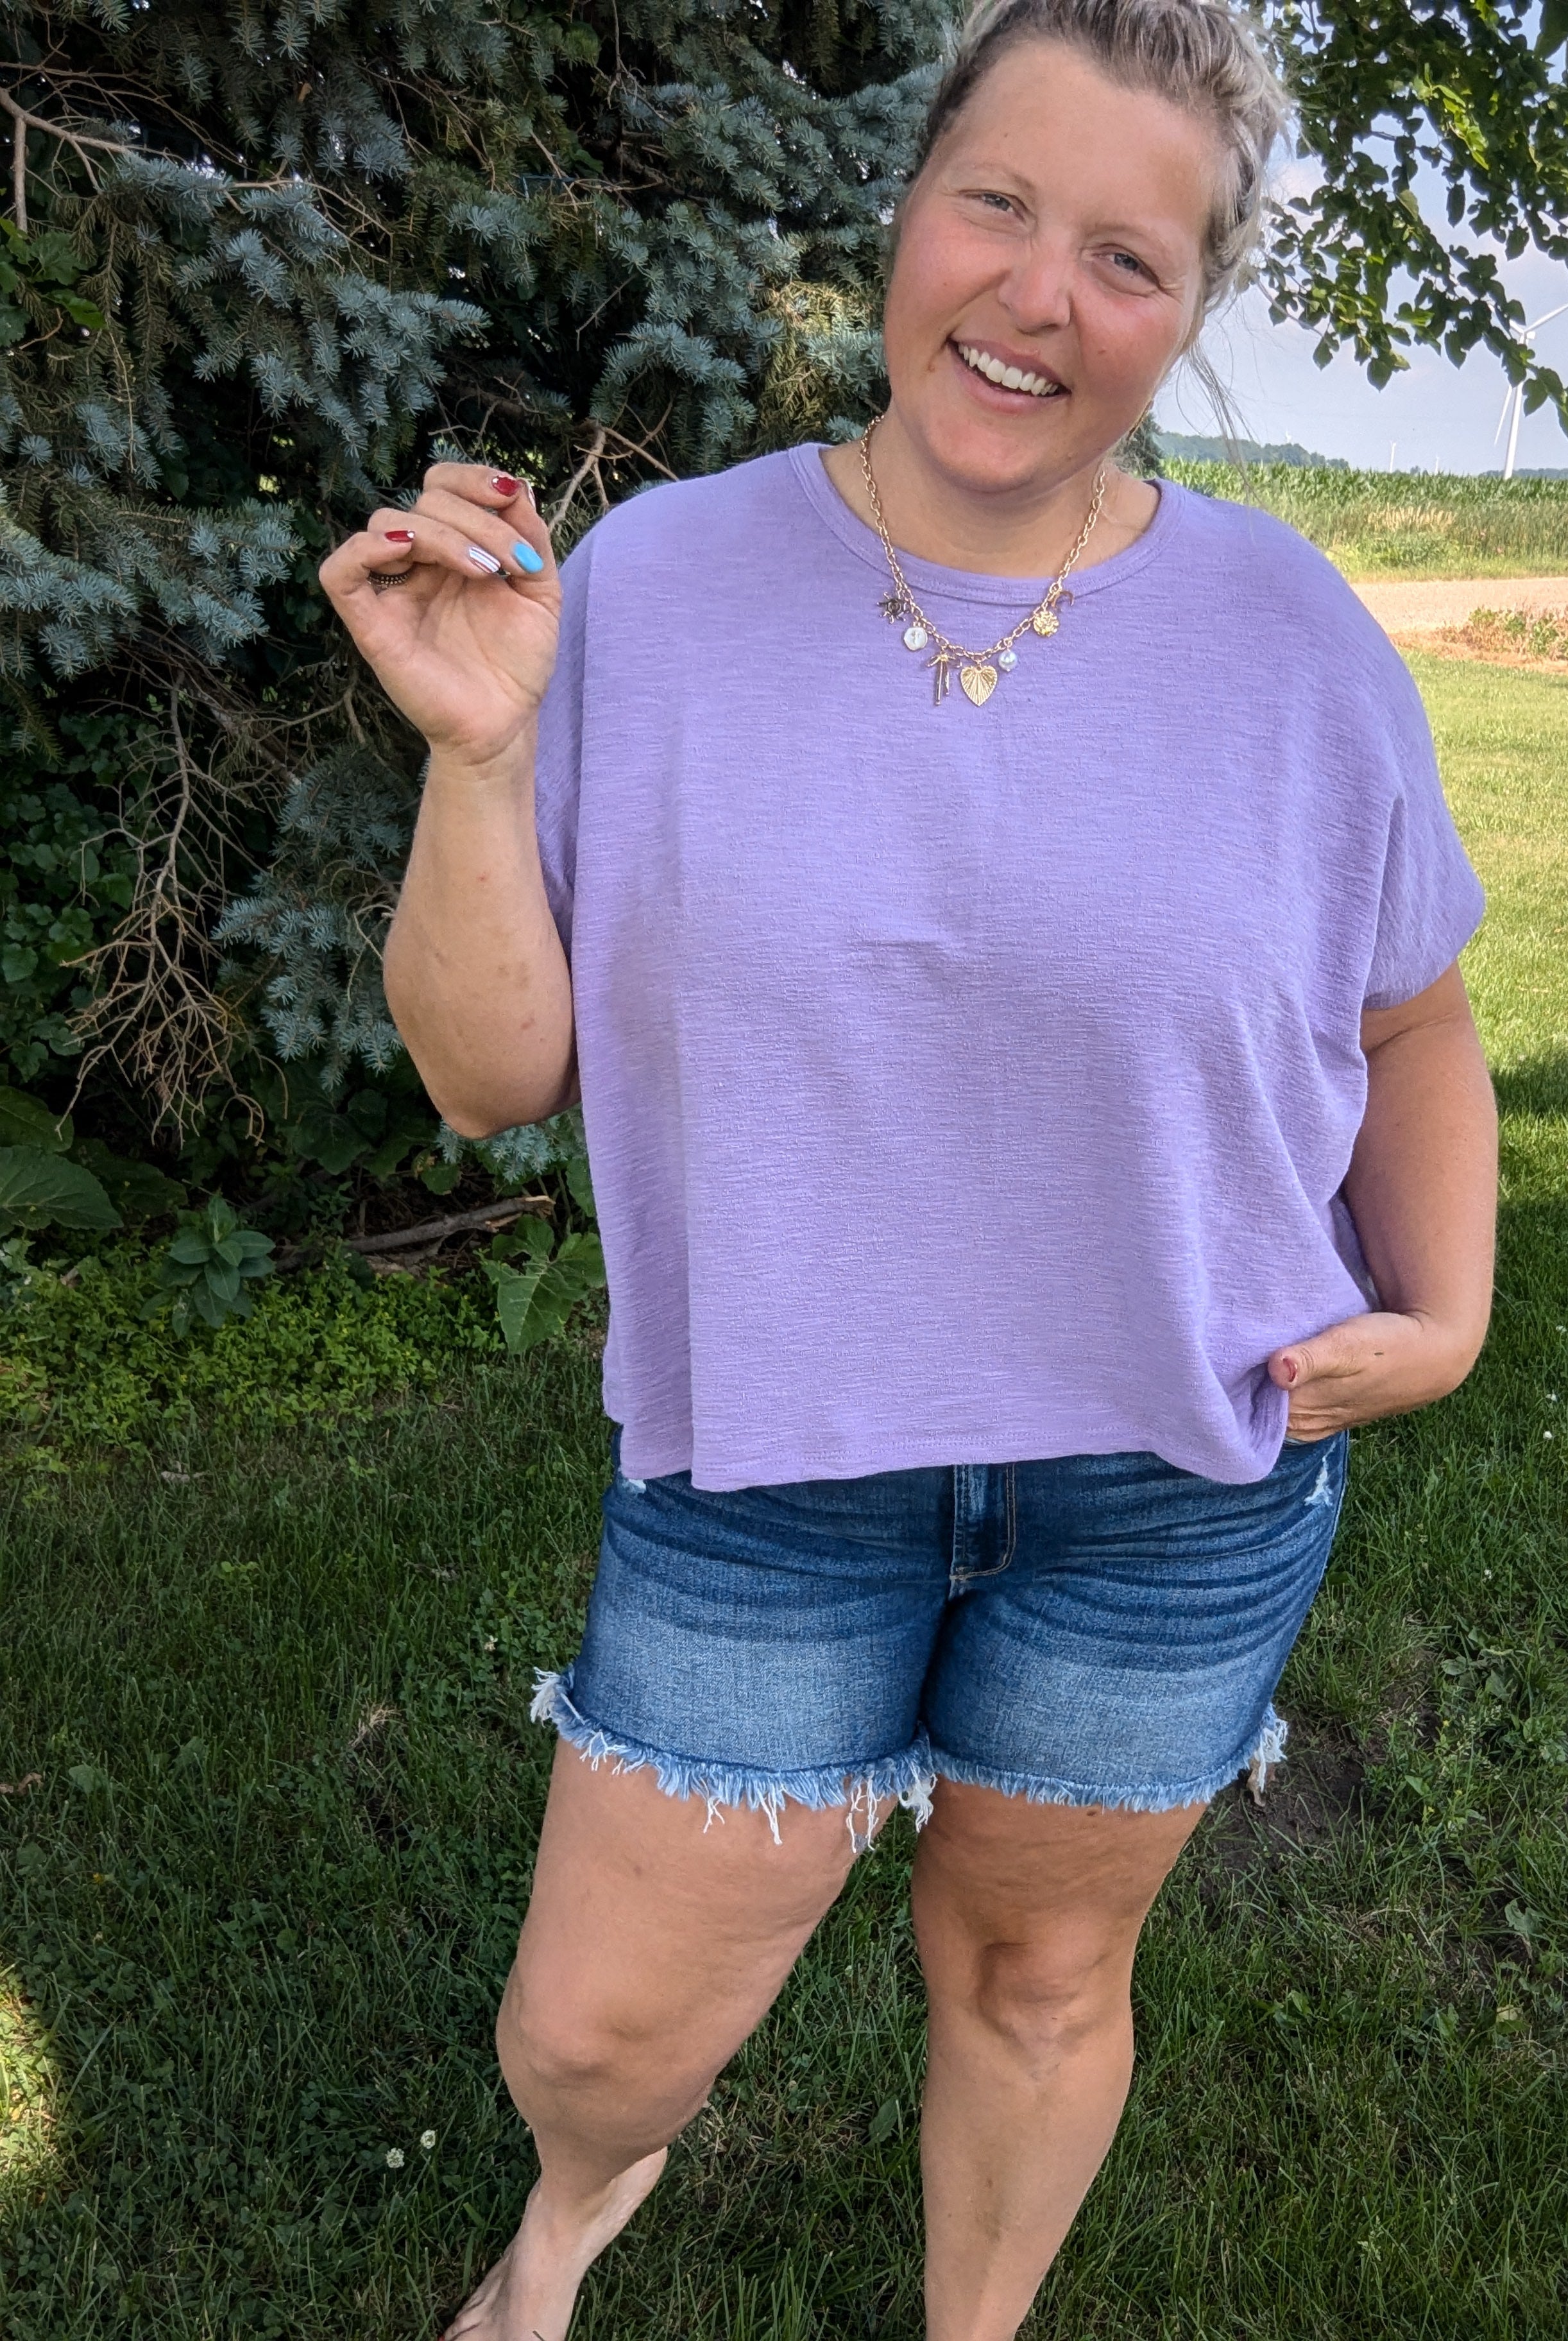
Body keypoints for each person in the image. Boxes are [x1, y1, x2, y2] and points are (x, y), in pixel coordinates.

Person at [320, 0, 1497, 2330]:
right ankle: (566, 2225)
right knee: (595, 2037)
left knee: (1041, 1982)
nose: (1041, 295)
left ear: (1189, 314)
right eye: (999, 205)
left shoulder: (1289, 637)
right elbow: (486, 1077)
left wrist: (1447, 1313)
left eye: (1129, 259)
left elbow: (1411, 1014)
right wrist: (480, 758)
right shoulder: (652, 585)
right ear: (908, 210)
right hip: (774, 1461)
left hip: (1174, 1476)